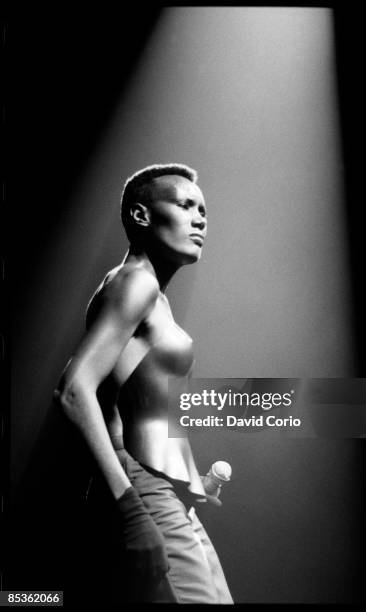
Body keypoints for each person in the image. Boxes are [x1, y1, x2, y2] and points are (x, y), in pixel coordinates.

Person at [54, 163, 233, 604]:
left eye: (204, 210)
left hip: (166, 494)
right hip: (142, 491)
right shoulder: (135, 283)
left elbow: (141, 406)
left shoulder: (155, 294)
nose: (200, 218)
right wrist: (131, 508)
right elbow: (74, 391)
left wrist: (193, 482)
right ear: (141, 216)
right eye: (185, 205)